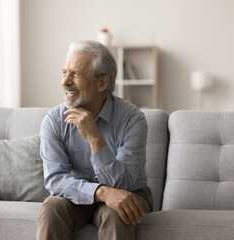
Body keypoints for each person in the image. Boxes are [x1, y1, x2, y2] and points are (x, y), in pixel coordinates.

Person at [36, 40, 153, 240]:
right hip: (76, 197)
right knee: (52, 205)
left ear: (102, 83)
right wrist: (102, 192)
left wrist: (94, 137)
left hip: (128, 192)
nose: (65, 81)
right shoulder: (54, 120)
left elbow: (122, 184)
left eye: (76, 74)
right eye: (64, 72)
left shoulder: (133, 120)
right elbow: (55, 180)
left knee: (117, 211)